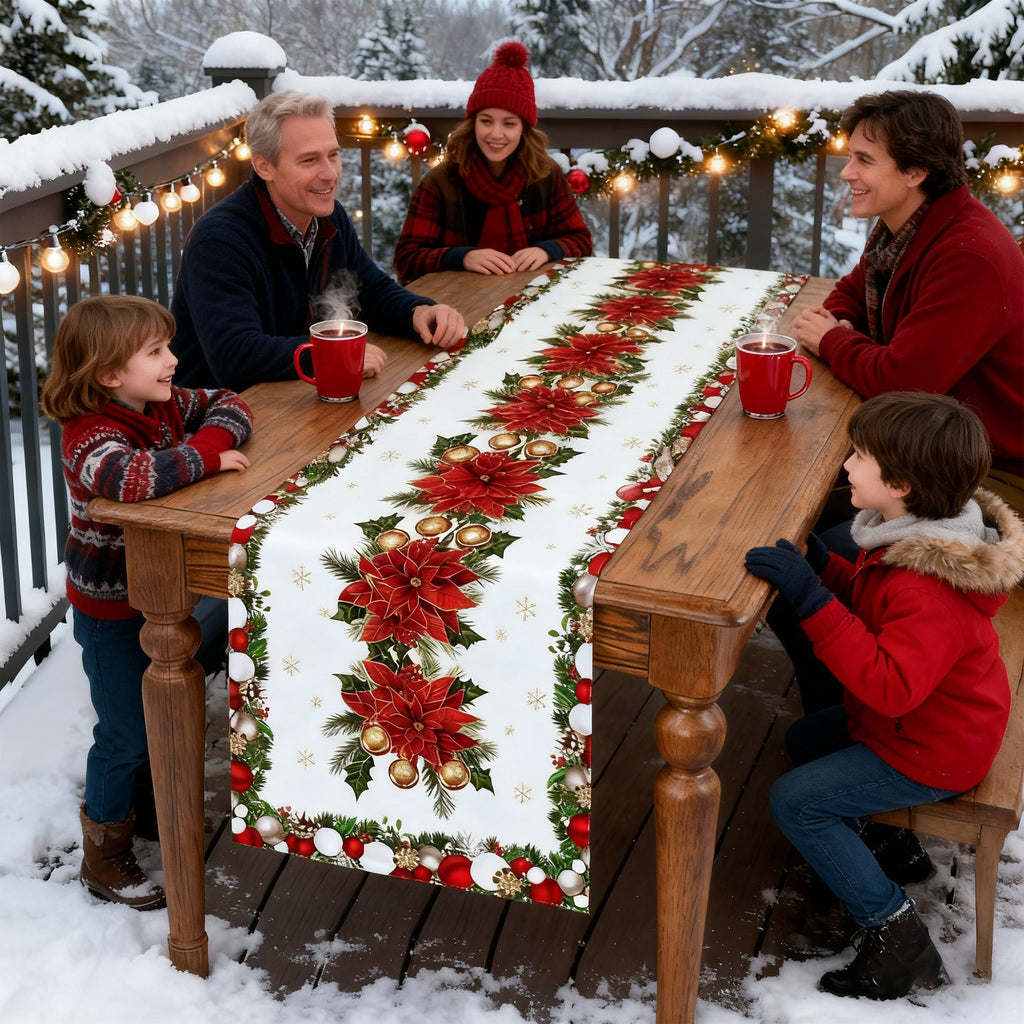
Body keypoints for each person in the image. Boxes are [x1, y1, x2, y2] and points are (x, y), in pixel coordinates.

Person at [744, 391, 1024, 1000]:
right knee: (804, 738)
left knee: (795, 802)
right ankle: (889, 843)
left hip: (932, 748)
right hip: (926, 723)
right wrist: (823, 565)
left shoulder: (930, 585)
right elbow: (880, 605)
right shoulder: (922, 540)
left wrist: (812, 601)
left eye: (860, 456)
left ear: (899, 482)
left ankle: (898, 943)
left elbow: (890, 686)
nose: (847, 463)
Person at [39, 294, 254, 910]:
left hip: (159, 590)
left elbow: (230, 403)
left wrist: (204, 438)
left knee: (166, 694)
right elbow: (129, 481)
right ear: (110, 374)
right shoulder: (92, 434)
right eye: (156, 352)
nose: (174, 361)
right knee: (124, 733)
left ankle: (148, 804)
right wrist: (208, 456)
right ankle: (104, 852)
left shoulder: (160, 404)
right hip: (110, 609)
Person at [792, 90, 1024, 505]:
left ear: (915, 170)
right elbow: (852, 290)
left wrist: (832, 340)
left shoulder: (968, 256)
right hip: (926, 442)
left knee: (803, 507)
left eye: (864, 160)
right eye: (851, 157)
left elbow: (902, 382)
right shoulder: (905, 231)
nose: (847, 173)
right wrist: (843, 324)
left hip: (988, 469)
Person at [171, 91, 466, 393]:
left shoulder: (327, 215)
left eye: (334, 155)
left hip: (295, 396)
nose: (330, 174)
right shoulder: (220, 241)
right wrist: (332, 353)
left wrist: (417, 311)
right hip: (216, 417)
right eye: (310, 160)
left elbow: (369, 289)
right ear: (264, 167)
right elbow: (234, 356)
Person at [393, 41, 593, 284]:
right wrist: (461, 257)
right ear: (473, 123)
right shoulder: (441, 181)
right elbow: (406, 260)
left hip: (530, 301)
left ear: (524, 129)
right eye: (486, 121)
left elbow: (581, 241)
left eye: (509, 123)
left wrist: (546, 250)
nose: (496, 134)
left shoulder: (544, 174)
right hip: (457, 303)